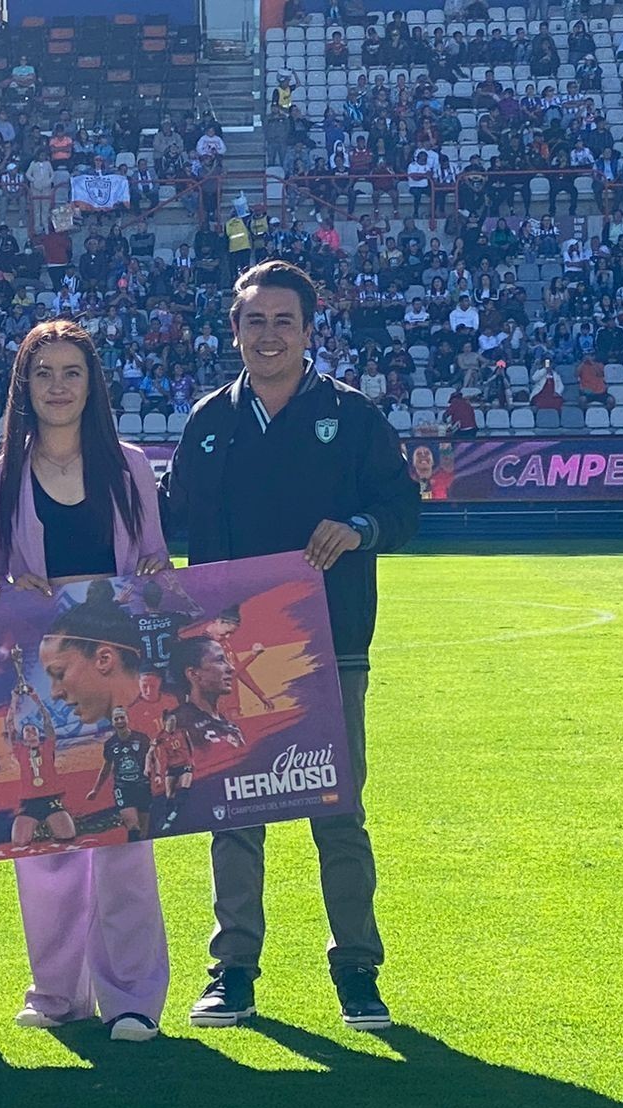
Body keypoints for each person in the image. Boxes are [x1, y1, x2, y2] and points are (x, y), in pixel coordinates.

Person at [159, 258, 420, 1032]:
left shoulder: (353, 416)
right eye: (254, 321)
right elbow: (172, 524)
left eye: (283, 321)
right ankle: (233, 970)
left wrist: (361, 529)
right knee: (233, 812)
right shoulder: (210, 420)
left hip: (328, 648)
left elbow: (401, 507)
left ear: (309, 331)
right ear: (234, 330)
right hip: (224, 653)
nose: (268, 335)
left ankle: (358, 972)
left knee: (336, 811)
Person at [0, 319, 170, 1040]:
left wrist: (153, 572)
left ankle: (134, 998)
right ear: (25, 385)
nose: (58, 386)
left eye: (72, 372)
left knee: (123, 840)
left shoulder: (132, 467)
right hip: (43, 678)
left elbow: (155, 563)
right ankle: (57, 995)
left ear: (93, 385)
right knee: (46, 848)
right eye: (44, 373)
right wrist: (2, 585)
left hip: (117, 678)